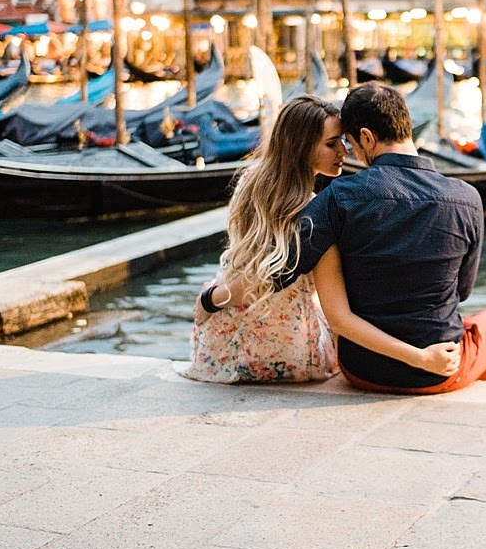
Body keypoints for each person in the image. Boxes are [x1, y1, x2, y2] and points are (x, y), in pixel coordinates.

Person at [198, 82, 486, 394]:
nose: (348, 152)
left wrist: (212, 299)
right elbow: (462, 291)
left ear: (367, 138)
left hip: (362, 369)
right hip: (438, 369)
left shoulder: (337, 197)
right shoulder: (468, 198)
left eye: (350, 143)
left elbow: (280, 270)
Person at [180, 94, 459, 384]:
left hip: (225, 345)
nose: (343, 152)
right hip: (294, 352)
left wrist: (209, 299)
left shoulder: (250, 181)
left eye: (343, 142)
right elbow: (280, 284)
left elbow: (249, 271)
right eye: (331, 143)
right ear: (301, 147)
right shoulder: (318, 209)